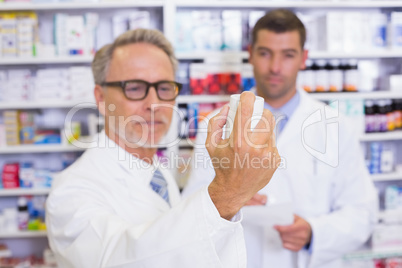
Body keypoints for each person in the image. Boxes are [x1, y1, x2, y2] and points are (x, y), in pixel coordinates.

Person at [45, 28, 280, 267]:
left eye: (165, 88)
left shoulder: (157, 171)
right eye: (134, 88)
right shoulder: (71, 191)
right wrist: (226, 196)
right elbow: (113, 258)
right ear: (101, 98)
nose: (154, 104)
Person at [183, 9, 378, 268]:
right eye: (265, 53)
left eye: (287, 55)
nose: (275, 67)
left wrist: (313, 232)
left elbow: (362, 211)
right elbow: (190, 210)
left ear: (303, 58)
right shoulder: (216, 125)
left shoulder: (336, 126)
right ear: (250, 54)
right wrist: (226, 199)